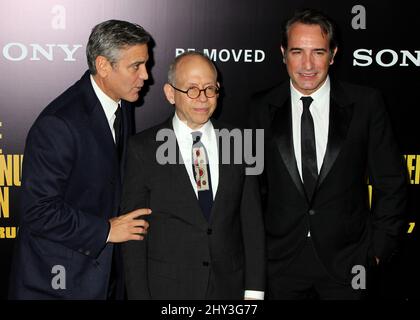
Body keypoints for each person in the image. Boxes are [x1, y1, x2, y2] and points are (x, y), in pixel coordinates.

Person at [250, 9, 407, 299]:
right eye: (297, 51)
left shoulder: (366, 104)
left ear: (333, 54)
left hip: (349, 262)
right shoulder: (260, 108)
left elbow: (391, 182)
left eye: (318, 52)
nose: (307, 64)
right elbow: (250, 188)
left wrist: (376, 252)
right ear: (283, 53)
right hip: (279, 262)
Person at [9, 20, 152, 299]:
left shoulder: (122, 104)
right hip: (56, 284)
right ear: (103, 66)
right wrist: (107, 230)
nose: (145, 75)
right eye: (135, 66)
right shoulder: (58, 124)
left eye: (145, 64)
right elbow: (38, 211)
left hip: (101, 276)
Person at [121, 51, 265, 299]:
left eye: (210, 88)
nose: (203, 98)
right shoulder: (142, 149)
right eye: (192, 89)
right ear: (170, 93)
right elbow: (134, 235)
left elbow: (252, 223)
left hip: (228, 290)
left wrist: (254, 292)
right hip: (167, 290)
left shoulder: (241, 143)